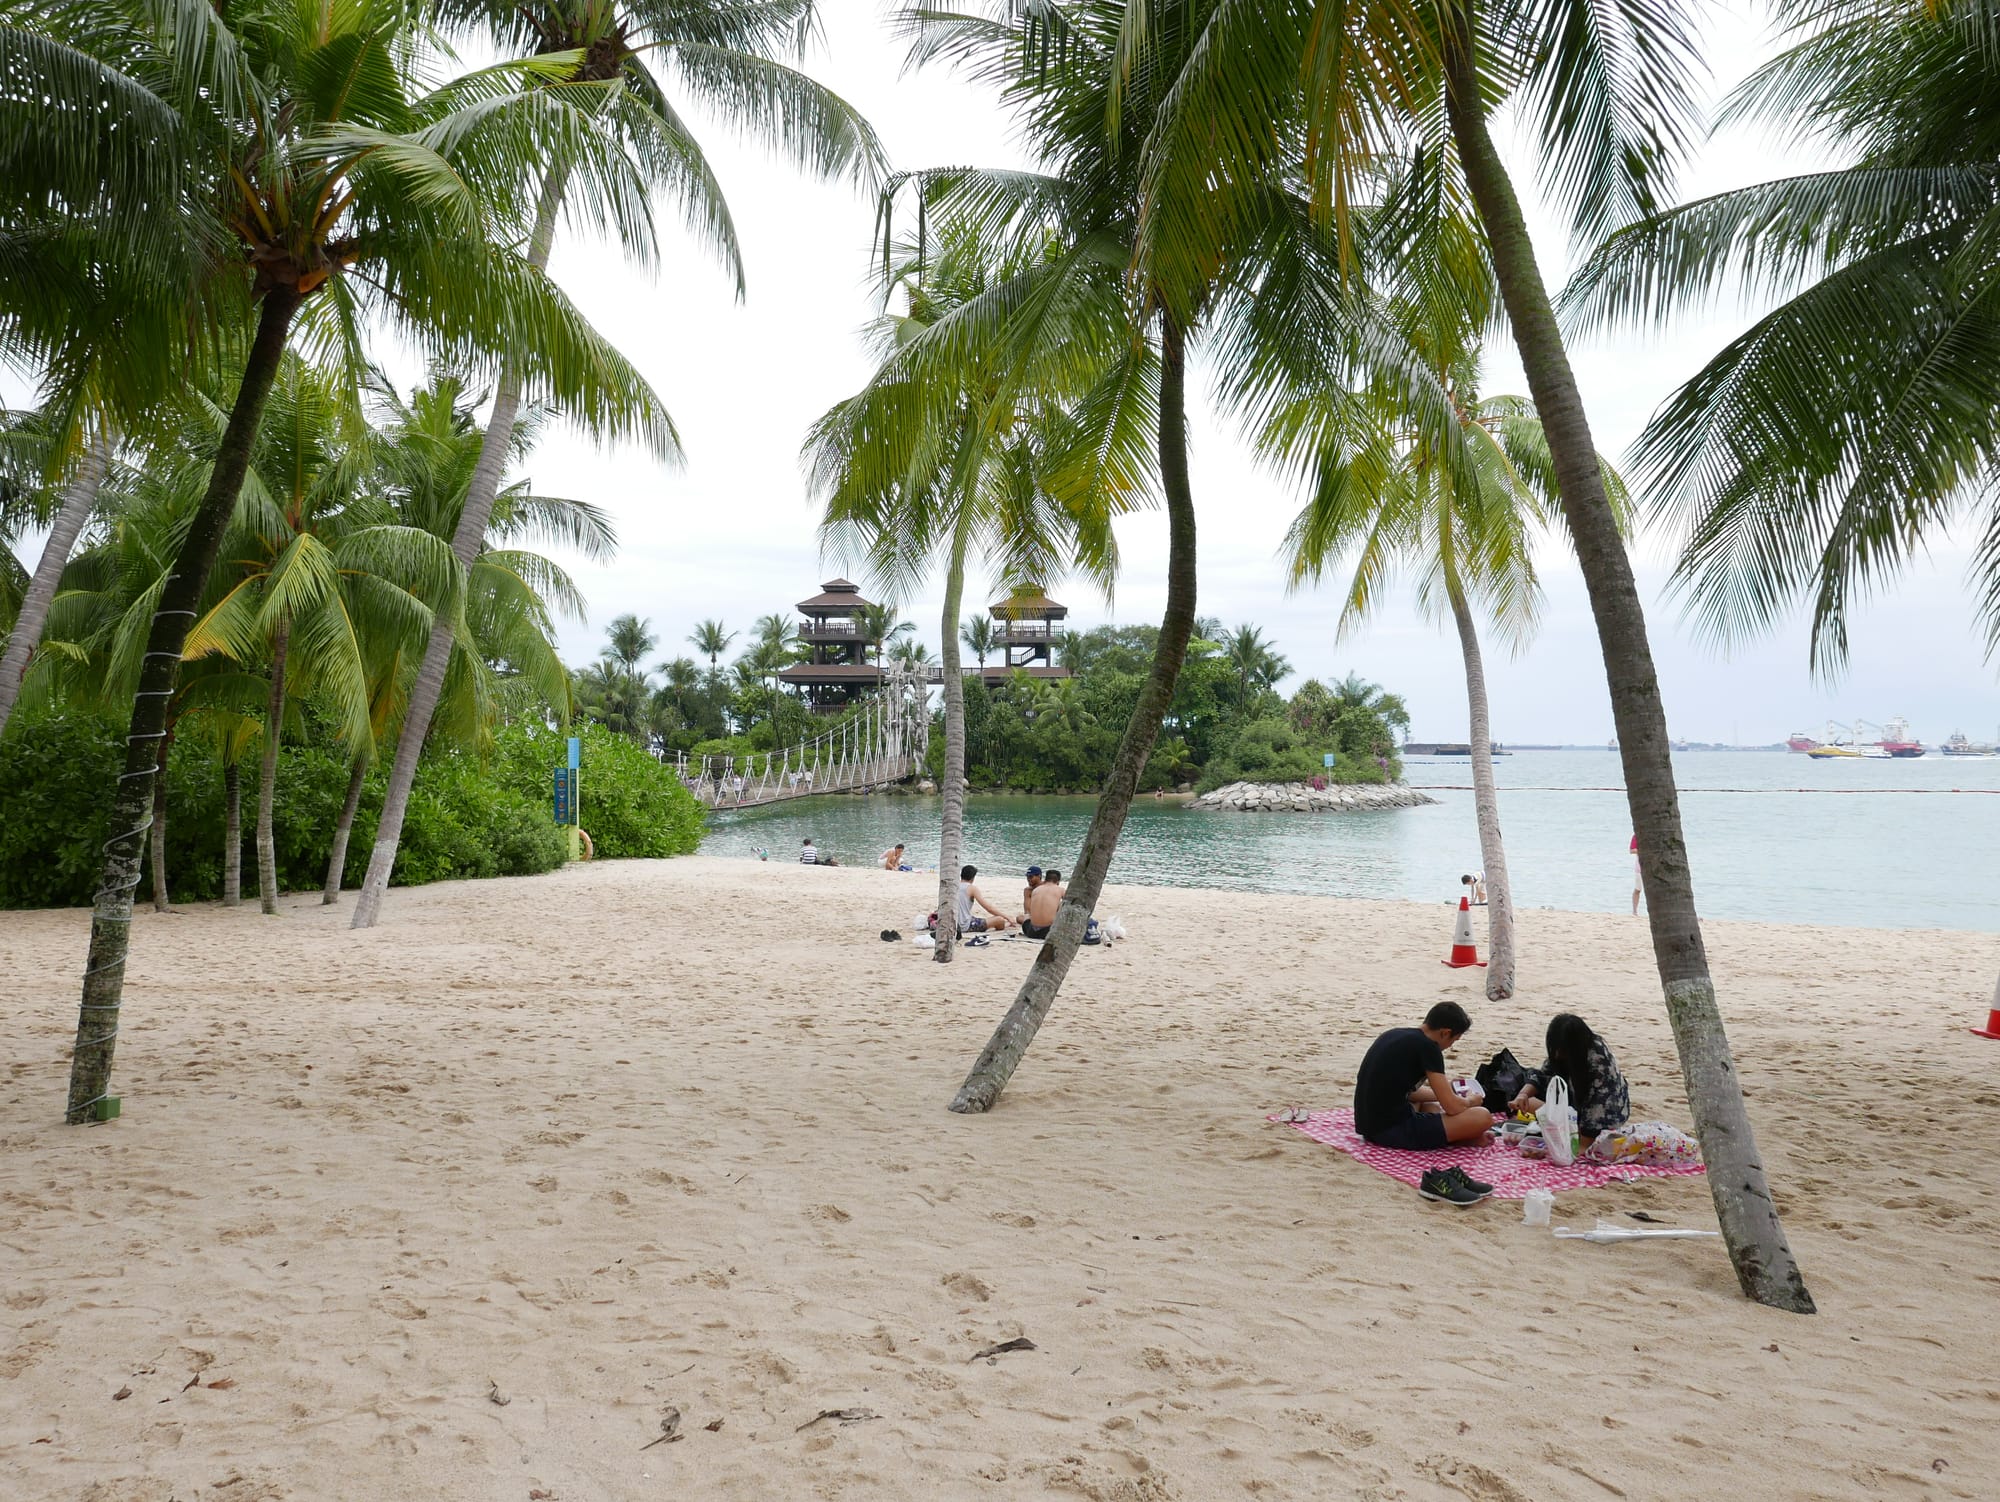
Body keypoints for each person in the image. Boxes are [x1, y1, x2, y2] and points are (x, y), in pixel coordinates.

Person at [1352, 1001, 1493, 1151]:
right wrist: (1471, 1100)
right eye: (1453, 1040)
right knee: (1482, 1116)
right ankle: (1457, 1137)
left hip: (1368, 1126)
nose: (1450, 1045)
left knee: (1429, 1106)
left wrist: (1447, 1090)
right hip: (1390, 1130)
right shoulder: (1429, 1047)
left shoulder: (1394, 1034)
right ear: (1445, 1033)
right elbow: (1452, 1107)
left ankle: (1456, 1135)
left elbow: (1408, 1092)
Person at [1509, 1014, 1631, 1147]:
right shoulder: (1566, 1050)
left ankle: (1571, 1127)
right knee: (1528, 1100)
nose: (1556, 1054)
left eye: (1560, 1050)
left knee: (1586, 1142)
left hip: (1606, 1114)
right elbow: (1544, 1074)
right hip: (1576, 1103)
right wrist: (1523, 1095)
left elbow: (1597, 1108)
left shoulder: (1599, 1062)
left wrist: (1581, 1145)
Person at [956, 865, 1013, 934]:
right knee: (1000, 920)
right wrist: (1007, 917)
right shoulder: (972, 888)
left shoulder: (953, 886)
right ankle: (1009, 924)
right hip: (964, 926)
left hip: (951, 924)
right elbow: (989, 908)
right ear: (973, 878)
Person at [1020, 868, 1064, 938]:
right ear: (1058, 881)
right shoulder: (1061, 890)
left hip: (1031, 932)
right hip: (1048, 932)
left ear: (1045, 879)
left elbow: (1027, 913)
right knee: (1062, 904)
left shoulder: (1035, 890)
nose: (1028, 879)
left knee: (1025, 918)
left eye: (1030, 877)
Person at [1630, 833, 1643, 916]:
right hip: (1639, 867)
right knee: (1638, 889)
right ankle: (1634, 911)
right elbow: (1632, 850)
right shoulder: (1637, 835)